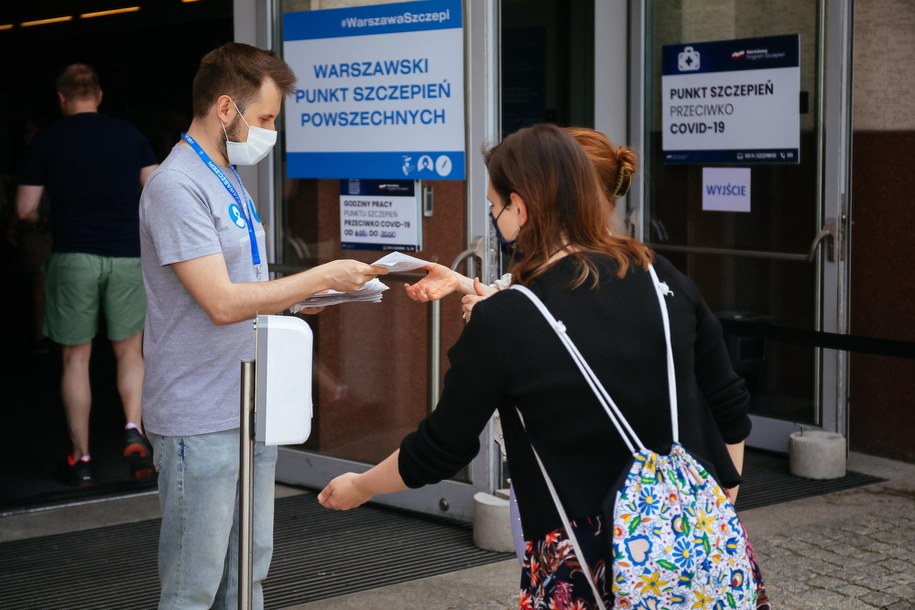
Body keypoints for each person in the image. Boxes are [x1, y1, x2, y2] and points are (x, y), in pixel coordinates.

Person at [318, 124, 753, 608]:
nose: (495, 218)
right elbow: (729, 402)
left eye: (495, 207)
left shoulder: (504, 321)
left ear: (520, 208)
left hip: (583, 558)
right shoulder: (658, 274)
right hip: (694, 550)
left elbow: (442, 447)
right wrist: (720, 506)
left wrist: (361, 485)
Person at [138, 42, 388, 609]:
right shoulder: (178, 186)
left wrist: (304, 298)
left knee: (247, 575)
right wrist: (315, 275)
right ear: (227, 108)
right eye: (267, 118)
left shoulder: (225, 176)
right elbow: (222, 303)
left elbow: (243, 290)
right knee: (192, 585)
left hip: (250, 403)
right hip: (200, 414)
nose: (272, 132)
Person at [16, 63, 158, 487]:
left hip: (73, 255)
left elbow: (24, 209)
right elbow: (156, 192)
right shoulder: (130, 135)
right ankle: (134, 428)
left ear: (62, 99)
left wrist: (46, 221)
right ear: (98, 96)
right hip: (126, 256)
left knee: (75, 359)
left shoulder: (45, 140)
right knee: (130, 352)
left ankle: (82, 459)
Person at [402, 127, 635, 307]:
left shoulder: (588, 267)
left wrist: (501, 322)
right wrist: (457, 281)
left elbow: (562, 331)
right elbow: (529, 302)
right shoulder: (566, 254)